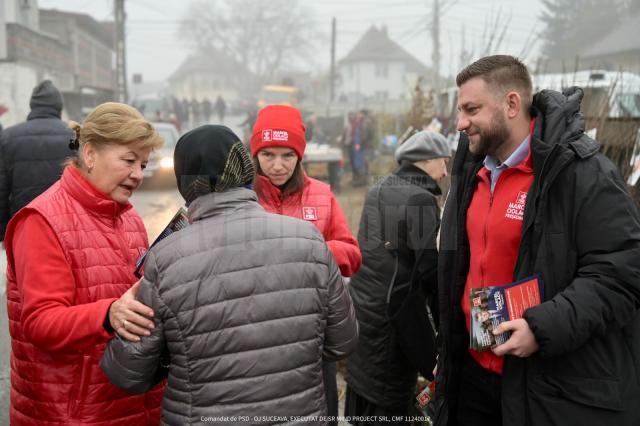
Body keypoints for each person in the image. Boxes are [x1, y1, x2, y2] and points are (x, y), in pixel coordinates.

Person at [432, 54, 640, 426]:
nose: (460, 122)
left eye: (471, 109)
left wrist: (541, 329)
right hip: (473, 379)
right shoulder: (470, 173)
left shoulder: (580, 172)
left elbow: (621, 272)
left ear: (512, 104)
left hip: (550, 385)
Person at [100, 124, 359, 423]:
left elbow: (128, 373)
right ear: (246, 170)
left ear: (185, 182)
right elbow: (343, 340)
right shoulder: (309, 240)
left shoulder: (167, 258)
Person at [3, 102, 166, 425]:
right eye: (129, 161)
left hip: (128, 402)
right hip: (71, 411)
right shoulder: (41, 221)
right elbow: (40, 322)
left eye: (143, 164)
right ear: (90, 154)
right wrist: (109, 314)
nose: (138, 175)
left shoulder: (128, 216)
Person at [251, 105, 362, 423]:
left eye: (287, 155)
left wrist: (311, 250)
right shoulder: (243, 197)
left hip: (314, 335)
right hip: (258, 335)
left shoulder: (322, 195)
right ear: (255, 154)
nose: (277, 165)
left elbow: (352, 254)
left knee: (318, 414)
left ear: (300, 155)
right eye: (268, 155)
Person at [345, 131, 450, 423]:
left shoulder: (381, 187)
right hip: (395, 325)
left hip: (366, 315)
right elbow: (430, 271)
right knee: (390, 401)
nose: (444, 172)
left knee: (364, 398)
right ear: (426, 160)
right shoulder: (420, 198)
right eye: (443, 162)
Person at [0, 80, 72, 241]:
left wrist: (4, 232)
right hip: (66, 224)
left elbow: (2, 189)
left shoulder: (8, 137)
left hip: (23, 223)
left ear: (33, 106)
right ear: (59, 106)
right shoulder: (75, 135)